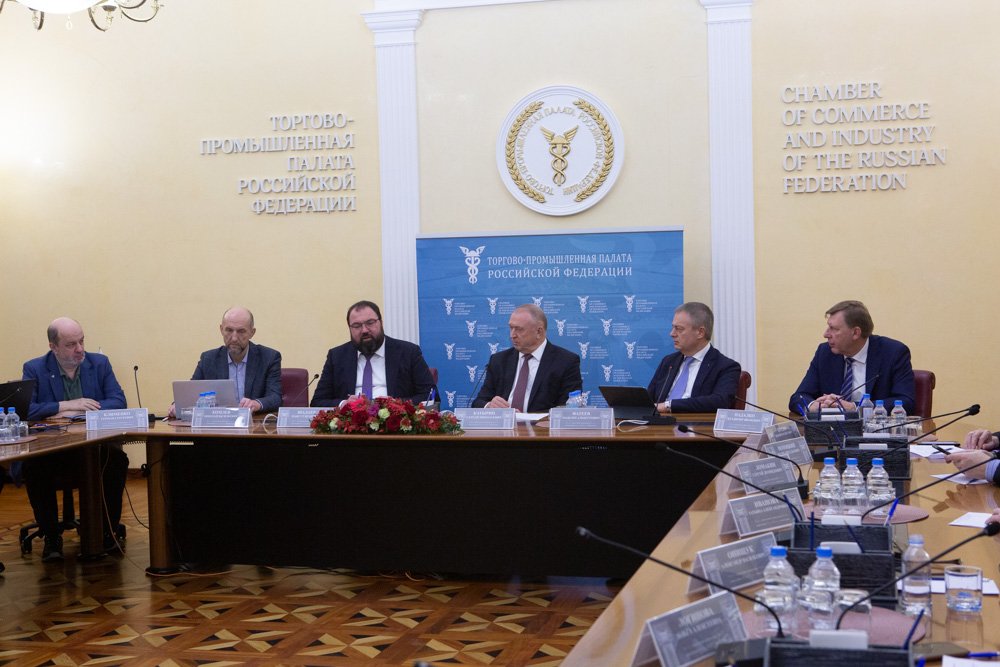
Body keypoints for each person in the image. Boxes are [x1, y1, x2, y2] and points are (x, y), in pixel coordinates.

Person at [21, 317, 128, 562]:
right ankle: (51, 537)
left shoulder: (99, 364)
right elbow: (27, 410)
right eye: (71, 344)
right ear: (53, 347)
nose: (80, 349)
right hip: (53, 450)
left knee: (116, 461)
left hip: (92, 447)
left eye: (82, 341)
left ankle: (107, 531)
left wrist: (76, 413)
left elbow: (118, 401)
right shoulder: (35, 368)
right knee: (33, 467)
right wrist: (66, 405)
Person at [789, 300, 916, 415]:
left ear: (855, 333)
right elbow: (799, 397)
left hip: (875, 430)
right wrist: (813, 406)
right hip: (832, 430)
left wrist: (855, 408)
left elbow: (906, 402)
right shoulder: (825, 353)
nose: (826, 334)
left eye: (833, 329)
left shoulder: (893, 353)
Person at [311, 300, 436, 406]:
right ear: (349, 328)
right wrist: (344, 404)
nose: (364, 330)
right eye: (357, 326)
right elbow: (317, 401)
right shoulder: (337, 356)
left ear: (381, 322)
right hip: (350, 424)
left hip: (396, 424)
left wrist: (397, 404)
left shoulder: (408, 352)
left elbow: (431, 396)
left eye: (370, 323)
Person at [168, 307, 282, 417]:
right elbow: (191, 392)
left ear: (252, 332)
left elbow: (275, 397)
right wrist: (176, 405)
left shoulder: (269, 358)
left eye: (241, 331)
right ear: (221, 329)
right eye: (229, 330)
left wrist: (256, 404)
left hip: (254, 425)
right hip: (217, 425)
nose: (234, 338)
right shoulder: (208, 359)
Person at [473, 303, 582, 412]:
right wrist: (489, 405)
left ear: (539, 331)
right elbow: (478, 402)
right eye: (511, 328)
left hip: (542, 423)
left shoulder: (566, 362)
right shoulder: (499, 360)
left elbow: (568, 409)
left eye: (519, 329)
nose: (512, 335)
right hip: (504, 422)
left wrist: (526, 418)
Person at [646, 302, 741, 413]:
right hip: (659, 423)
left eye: (679, 329)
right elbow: (649, 398)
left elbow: (720, 401)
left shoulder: (725, 367)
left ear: (700, 332)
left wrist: (669, 405)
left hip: (694, 422)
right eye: (673, 328)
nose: (672, 334)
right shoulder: (668, 362)